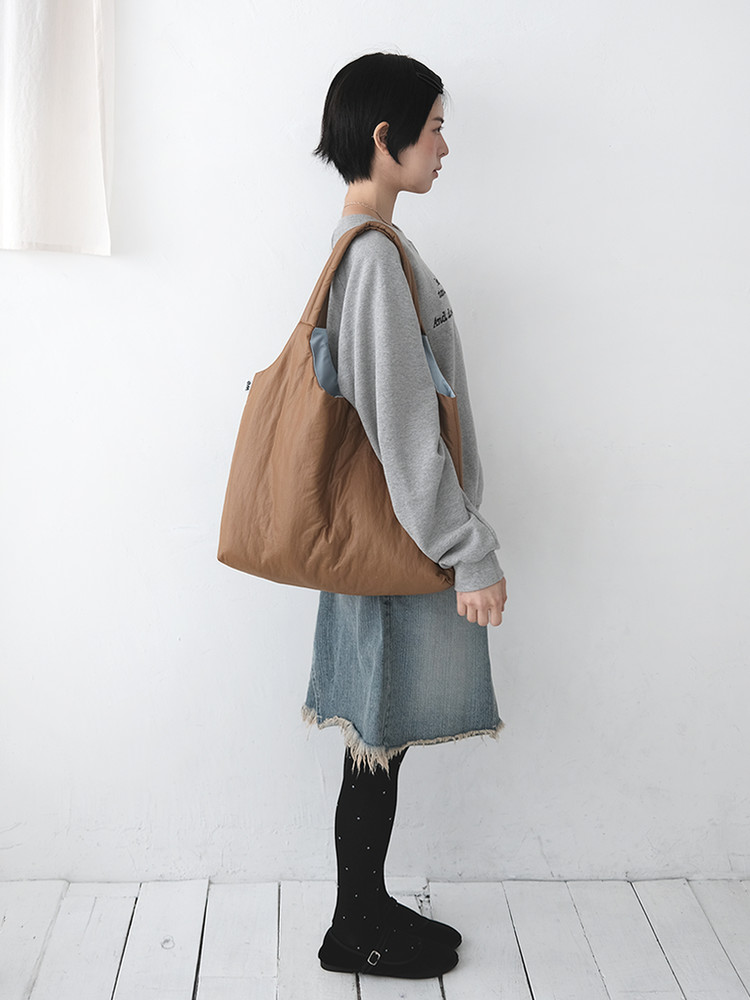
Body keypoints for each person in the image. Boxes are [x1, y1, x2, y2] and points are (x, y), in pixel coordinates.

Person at [302, 53, 508, 980]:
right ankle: (354, 928)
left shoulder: (366, 246)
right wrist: (470, 551)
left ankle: (366, 906)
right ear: (385, 139)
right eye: (433, 129)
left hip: (385, 536)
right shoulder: (375, 258)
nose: (444, 148)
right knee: (376, 740)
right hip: (398, 540)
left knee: (377, 740)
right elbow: (403, 428)